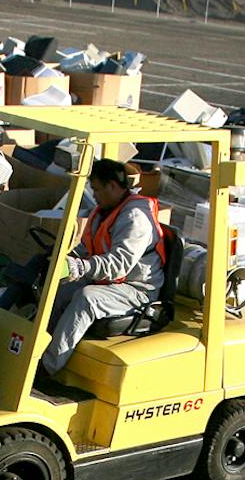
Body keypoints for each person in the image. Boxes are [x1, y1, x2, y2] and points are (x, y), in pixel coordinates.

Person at [37, 158, 166, 376]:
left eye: (96, 189)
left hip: (137, 290)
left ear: (112, 187)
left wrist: (81, 267)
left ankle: (45, 368)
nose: (94, 195)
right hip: (111, 282)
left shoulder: (135, 218)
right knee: (56, 289)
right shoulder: (104, 210)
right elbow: (88, 247)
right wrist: (64, 258)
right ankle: (34, 350)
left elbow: (118, 264)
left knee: (87, 298)